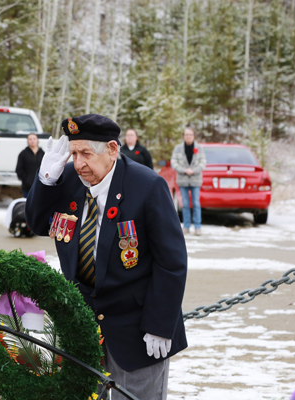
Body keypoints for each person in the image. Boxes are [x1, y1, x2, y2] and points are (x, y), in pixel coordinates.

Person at [26, 114, 188, 400]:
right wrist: (46, 180)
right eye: (74, 154)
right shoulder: (70, 183)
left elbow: (171, 262)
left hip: (137, 329)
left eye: (86, 153)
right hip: (84, 326)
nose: (78, 163)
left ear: (112, 149)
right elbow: (38, 223)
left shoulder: (147, 186)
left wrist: (160, 325)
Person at [171, 127, 207, 236]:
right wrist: (183, 170)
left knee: (196, 203)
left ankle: (197, 226)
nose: (188, 136)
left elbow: (203, 162)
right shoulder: (178, 148)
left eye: (190, 134)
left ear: (193, 136)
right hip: (183, 180)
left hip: (195, 180)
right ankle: (186, 226)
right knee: (185, 204)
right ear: (184, 136)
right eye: (186, 134)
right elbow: (174, 162)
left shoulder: (199, 148)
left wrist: (194, 170)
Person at [16, 133, 45, 197]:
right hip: (27, 187)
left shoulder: (43, 154)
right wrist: (26, 180)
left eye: (34, 139)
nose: (32, 141)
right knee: (28, 204)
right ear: (27, 141)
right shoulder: (23, 154)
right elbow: (19, 169)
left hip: (40, 185)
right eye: (30, 139)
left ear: (37, 140)